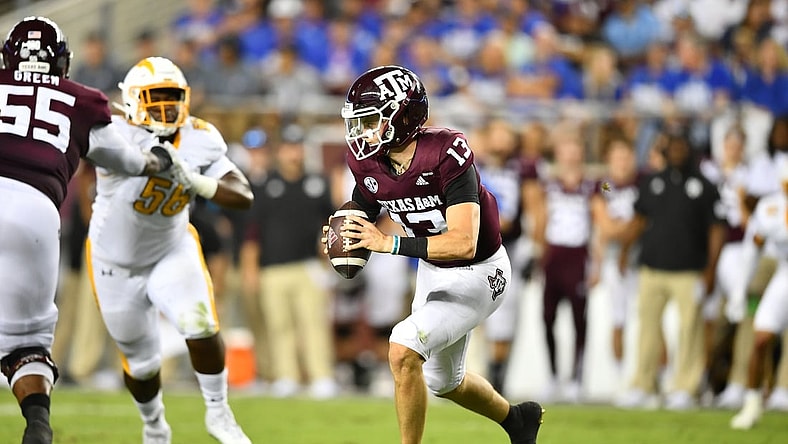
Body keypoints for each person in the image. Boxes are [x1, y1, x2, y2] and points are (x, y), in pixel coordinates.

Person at [323, 65, 544, 444]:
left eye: (371, 120)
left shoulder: (446, 152)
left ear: (402, 116)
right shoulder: (369, 161)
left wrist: (387, 243)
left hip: (480, 272)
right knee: (444, 382)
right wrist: (343, 231)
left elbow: (464, 242)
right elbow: (362, 206)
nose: (362, 132)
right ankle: (517, 421)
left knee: (402, 348)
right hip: (433, 270)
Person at [0, 17, 173, 444]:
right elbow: (127, 160)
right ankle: (37, 424)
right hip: (33, 210)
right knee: (26, 343)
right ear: (63, 62)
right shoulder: (80, 100)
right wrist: (157, 161)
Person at [87, 56, 253, 444]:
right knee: (143, 365)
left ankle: (218, 412)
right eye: (153, 97)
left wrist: (194, 180)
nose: (165, 107)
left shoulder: (200, 136)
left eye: (172, 97)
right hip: (115, 261)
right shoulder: (113, 132)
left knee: (202, 325)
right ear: (131, 100)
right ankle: (154, 425)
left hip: (170, 248)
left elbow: (242, 194)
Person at [617, 123, 727, 410]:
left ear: (690, 150)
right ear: (665, 150)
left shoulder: (704, 185)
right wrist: (625, 251)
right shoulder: (652, 182)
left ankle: (685, 387)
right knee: (647, 330)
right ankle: (643, 385)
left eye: (682, 147)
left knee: (690, 331)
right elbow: (639, 221)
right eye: (673, 147)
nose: (677, 151)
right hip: (652, 267)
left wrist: (711, 269)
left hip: (690, 270)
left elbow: (717, 230)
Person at [727, 162, 788, 429]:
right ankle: (752, 404)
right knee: (761, 336)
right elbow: (753, 249)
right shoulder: (769, 209)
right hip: (785, 272)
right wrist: (739, 292)